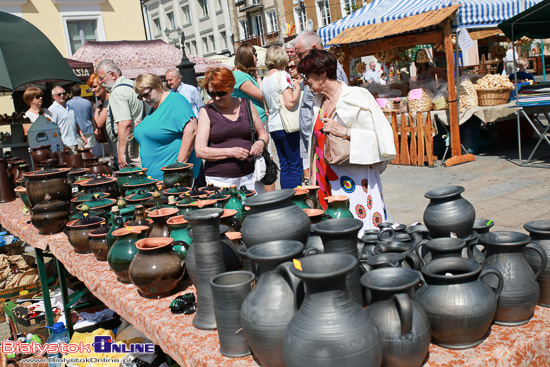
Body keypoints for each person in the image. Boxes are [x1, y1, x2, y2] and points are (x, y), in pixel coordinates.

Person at [297, 49, 396, 233]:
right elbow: (314, 144)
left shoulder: (356, 97)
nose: (305, 81)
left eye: (307, 75)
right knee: (332, 228)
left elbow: (379, 138)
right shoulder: (318, 102)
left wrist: (344, 131)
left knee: (357, 224)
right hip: (324, 178)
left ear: (323, 73)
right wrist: (311, 177)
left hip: (355, 179)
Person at [195, 67, 269, 191]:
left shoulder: (247, 104)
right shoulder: (206, 112)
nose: (216, 98)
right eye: (212, 93)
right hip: (219, 180)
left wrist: (260, 143)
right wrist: (231, 152)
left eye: (221, 93)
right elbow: (200, 151)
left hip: (251, 177)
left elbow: (263, 133)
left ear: (231, 87)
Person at [294, 30, 348, 184]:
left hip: (329, 152)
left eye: (300, 54)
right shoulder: (315, 73)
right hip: (317, 148)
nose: (298, 59)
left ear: (314, 48)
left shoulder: (331, 72)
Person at [133, 73, 201, 182]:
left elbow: (192, 130)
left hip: (175, 180)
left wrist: (178, 168)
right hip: (156, 179)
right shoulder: (156, 106)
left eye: (146, 94)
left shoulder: (175, 101)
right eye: (140, 97)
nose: (144, 99)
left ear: (158, 86)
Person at [261, 46, 303, 189]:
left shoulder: (265, 79)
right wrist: (297, 88)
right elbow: (290, 102)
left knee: (285, 166)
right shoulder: (282, 75)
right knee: (295, 165)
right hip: (287, 126)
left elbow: (266, 108)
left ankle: (287, 199)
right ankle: (297, 200)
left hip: (274, 126)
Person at [232, 43, 273, 190]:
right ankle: (270, 199)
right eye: (254, 55)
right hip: (252, 123)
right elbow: (262, 95)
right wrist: (258, 76)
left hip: (258, 120)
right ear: (247, 57)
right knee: (266, 162)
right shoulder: (238, 75)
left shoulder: (245, 75)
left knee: (267, 161)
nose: (256, 58)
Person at [96, 60, 145, 169]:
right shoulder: (132, 85)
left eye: (101, 78)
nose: (100, 82)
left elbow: (125, 123)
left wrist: (121, 154)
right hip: (138, 139)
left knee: (133, 178)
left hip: (129, 145)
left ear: (112, 75)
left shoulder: (117, 93)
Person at [48, 86, 81, 153]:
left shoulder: (69, 106)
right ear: (53, 96)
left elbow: (75, 122)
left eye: (64, 93)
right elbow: (52, 129)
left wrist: (82, 135)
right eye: (59, 94)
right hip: (65, 144)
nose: (62, 96)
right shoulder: (52, 109)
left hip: (75, 141)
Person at [87, 73, 113, 154]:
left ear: (103, 85)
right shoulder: (103, 101)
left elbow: (98, 123)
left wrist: (97, 110)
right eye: (91, 87)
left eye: (95, 86)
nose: (92, 90)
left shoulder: (110, 100)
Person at [67, 84, 95, 149]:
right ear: (80, 92)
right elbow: (92, 117)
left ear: (71, 93)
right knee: (89, 150)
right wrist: (95, 129)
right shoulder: (87, 102)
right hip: (88, 129)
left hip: (76, 132)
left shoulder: (68, 104)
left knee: (79, 151)